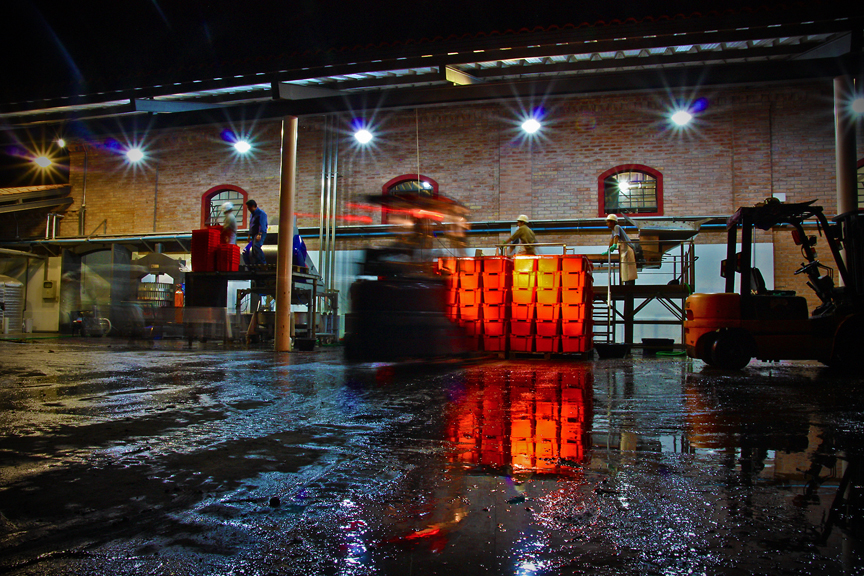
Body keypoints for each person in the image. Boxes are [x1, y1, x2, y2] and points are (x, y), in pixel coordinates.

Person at [603, 214, 637, 285]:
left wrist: (615, 245)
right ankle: (628, 284)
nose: (607, 223)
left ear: (612, 222)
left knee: (628, 270)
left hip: (628, 249)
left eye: (608, 222)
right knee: (625, 269)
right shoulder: (613, 230)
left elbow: (616, 237)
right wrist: (608, 249)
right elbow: (612, 240)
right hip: (624, 250)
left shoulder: (616, 227)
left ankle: (629, 285)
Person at [243, 199, 268, 267]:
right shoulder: (252, 214)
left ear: (253, 206)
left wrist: (259, 234)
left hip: (260, 233)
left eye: (249, 207)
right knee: (254, 249)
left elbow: (262, 224)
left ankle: (263, 263)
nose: (248, 209)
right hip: (254, 233)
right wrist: (249, 235)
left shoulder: (261, 213)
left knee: (256, 246)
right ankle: (256, 264)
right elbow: (251, 224)